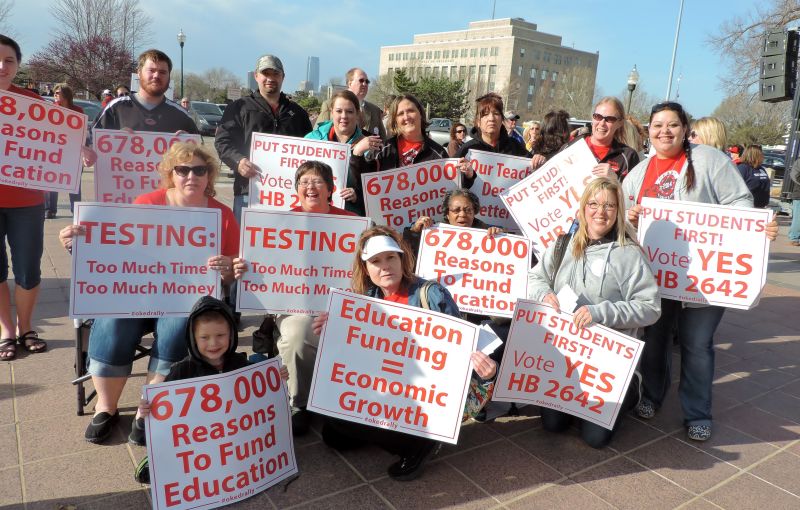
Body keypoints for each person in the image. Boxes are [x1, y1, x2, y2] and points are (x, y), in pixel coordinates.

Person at [59, 142, 239, 444]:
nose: (191, 176)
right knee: (114, 320)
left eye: (199, 170)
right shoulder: (147, 202)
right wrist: (76, 245)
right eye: (183, 169)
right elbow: (112, 250)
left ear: (209, 175)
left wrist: (227, 271)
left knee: (178, 324)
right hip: (137, 294)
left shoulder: (222, 216)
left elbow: (232, 275)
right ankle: (106, 406)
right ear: (171, 174)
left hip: (183, 298)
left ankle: (150, 407)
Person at [624, 101, 779, 442]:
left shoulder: (710, 160)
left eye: (672, 125)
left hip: (706, 278)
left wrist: (757, 228)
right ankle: (651, 395)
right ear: (648, 131)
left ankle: (697, 412)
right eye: (658, 125)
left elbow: (740, 204)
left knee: (697, 344)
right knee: (655, 340)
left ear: (684, 127)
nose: (665, 131)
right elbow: (622, 217)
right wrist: (630, 217)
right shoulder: (640, 171)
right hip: (656, 277)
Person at [311, 225, 498, 481]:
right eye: (376, 261)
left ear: (402, 259)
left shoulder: (430, 294)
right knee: (333, 434)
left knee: (354, 426)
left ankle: (417, 446)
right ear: (366, 268)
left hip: (421, 393)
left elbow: (458, 351)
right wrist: (332, 332)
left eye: (391, 257)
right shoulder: (366, 298)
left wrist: (485, 372)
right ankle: (387, 428)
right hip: (385, 387)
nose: (385, 266)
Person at [528, 178, 661, 448]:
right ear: (582, 208)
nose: (601, 212)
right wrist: (544, 294)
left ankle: (631, 390)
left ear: (618, 211)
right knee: (553, 426)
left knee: (595, 439)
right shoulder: (562, 244)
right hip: (565, 358)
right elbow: (535, 278)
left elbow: (651, 308)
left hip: (607, 363)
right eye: (594, 204)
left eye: (609, 206)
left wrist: (601, 313)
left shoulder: (629, 254)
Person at [232, 161, 358, 435]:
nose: (310, 187)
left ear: (330, 190)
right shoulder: (279, 224)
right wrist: (244, 269)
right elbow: (263, 268)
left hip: (338, 305)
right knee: (299, 333)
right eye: (304, 182)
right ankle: (299, 401)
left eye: (317, 182)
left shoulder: (351, 224)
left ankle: (337, 397)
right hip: (294, 306)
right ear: (296, 190)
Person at [129, 295, 289, 481]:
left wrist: (275, 380)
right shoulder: (180, 372)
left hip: (234, 442)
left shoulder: (242, 366)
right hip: (198, 447)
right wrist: (143, 416)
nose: (213, 343)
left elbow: (265, 408)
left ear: (231, 334)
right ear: (193, 338)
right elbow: (140, 436)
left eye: (220, 335)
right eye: (204, 337)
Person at [215, 54, 312, 221]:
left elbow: (311, 149)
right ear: (256, 76)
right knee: (245, 245)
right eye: (265, 73)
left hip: (288, 196)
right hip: (249, 193)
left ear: (283, 77)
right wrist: (238, 162)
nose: (270, 78)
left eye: (275, 74)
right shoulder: (239, 108)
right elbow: (223, 141)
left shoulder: (298, 113)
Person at [0, 35, 49, 360]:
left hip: (27, 202)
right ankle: (6, 331)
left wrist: (84, 150)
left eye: (9, 61)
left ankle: (26, 327)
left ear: (18, 65)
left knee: (28, 269)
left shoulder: (32, 103)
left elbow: (58, 145)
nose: (2, 67)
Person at [304, 89, 380, 216]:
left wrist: (357, 195)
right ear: (332, 112)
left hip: (350, 217)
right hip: (314, 214)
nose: (344, 116)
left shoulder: (371, 145)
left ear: (357, 114)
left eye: (349, 111)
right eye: (339, 111)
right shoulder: (311, 139)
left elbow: (376, 191)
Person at [92, 49, 199, 136]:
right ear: (139, 73)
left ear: (169, 77)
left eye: (162, 72)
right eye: (151, 70)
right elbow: (89, 144)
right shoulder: (115, 108)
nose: (156, 76)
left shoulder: (181, 116)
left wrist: (190, 145)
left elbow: (202, 156)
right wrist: (111, 140)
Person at [458, 93, 530, 189]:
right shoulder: (467, 149)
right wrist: (468, 176)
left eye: (496, 113)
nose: (491, 119)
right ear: (478, 122)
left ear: (502, 120)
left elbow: (532, 173)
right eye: (485, 114)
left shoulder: (515, 146)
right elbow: (453, 185)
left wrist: (538, 162)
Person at [559, 97, 640, 182]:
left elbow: (632, 193)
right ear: (592, 118)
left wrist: (614, 180)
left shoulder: (628, 156)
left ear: (620, 123)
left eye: (610, 119)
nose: (602, 123)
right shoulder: (570, 147)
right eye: (598, 117)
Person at [373, 93, 448, 170]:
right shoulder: (382, 151)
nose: (406, 117)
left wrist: (460, 172)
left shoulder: (439, 154)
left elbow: (450, 180)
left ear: (420, 113)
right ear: (395, 120)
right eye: (400, 113)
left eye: (410, 111)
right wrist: (359, 151)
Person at [44, 84, 85, 218]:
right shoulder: (51, 110)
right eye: (54, 93)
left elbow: (81, 132)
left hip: (72, 153)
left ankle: (76, 210)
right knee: (52, 181)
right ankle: (50, 209)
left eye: (57, 93)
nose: (55, 95)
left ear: (66, 95)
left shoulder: (77, 111)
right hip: (53, 152)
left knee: (74, 183)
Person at [316, 68, 387, 139]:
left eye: (367, 82)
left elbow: (383, 140)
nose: (364, 84)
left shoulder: (374, 110)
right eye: (361, 80)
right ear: (350, 83)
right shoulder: (329, 105)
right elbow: (317, 135)